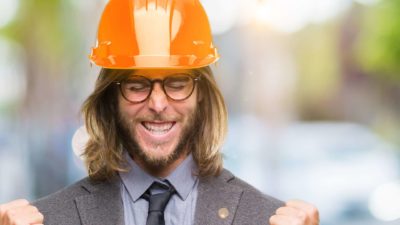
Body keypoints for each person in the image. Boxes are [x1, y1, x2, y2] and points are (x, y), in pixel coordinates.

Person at [0, 0, 319, 224]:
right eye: (137, 85)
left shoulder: (263, 218)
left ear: (203, 96)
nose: (157, 103)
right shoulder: (52, 220)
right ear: (110, 98)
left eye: (177, 83)